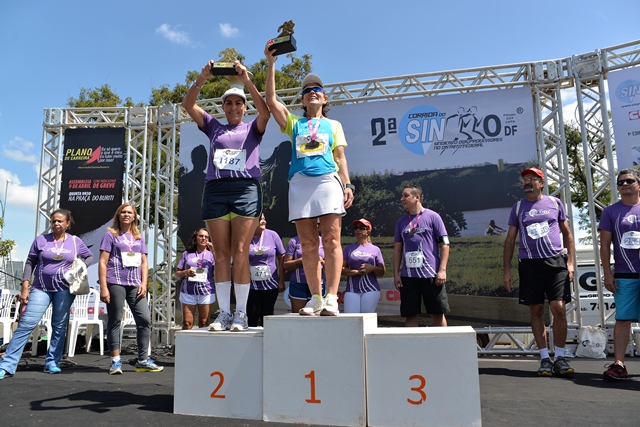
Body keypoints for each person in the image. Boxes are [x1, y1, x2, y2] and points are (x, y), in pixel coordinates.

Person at [265, 44, 354, 316]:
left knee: (332, 239)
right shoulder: (294, 123)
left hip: (327, 181)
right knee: (308, 243)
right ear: (302, 101)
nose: (312, 91)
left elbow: (340, 157)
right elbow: (271, 101)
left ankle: (332, 297)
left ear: (324, 98)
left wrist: (347, 184)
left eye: (317, 89)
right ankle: (315, 297)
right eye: (306, 90)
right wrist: (271, 63)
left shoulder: (334, 125)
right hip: (300, 183)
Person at [182, 59, 270, 332]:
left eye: (238, 103)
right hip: (216, 190)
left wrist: (246, 81)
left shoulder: (253, 127)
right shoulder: (213, 127)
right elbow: (188, 105)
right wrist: (202, 77)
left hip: (246, 190)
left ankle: (241, 314)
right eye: (228, 103)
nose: (233, 108)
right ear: (223, 107)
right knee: (221, 253)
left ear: (244, 107)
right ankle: (224, 313)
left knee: (240, 251)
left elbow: (265, 111)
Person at [0, 209, 93, 379]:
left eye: (60, 221)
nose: (56, 224)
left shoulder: (74, 241)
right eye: (53, 221)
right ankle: (7, 365)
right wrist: (25, 287)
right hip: (40, 288)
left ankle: (52, 362)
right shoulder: (41, 240)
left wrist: (80, 268)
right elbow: (30, 262)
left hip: (64, 289)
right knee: (26, 324)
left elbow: (89, 256)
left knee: (59, 326)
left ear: (67, 224)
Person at [503, 167, 575, 377]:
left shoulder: (554, 203)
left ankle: (560, 357)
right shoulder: (518, 207)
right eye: (525, 179)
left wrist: (570, 263)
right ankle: (544, 358)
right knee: (535, 310)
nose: (527, 182)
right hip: (529, 263)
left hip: (555, 261)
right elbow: (510, 240)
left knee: (558, 308)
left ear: (542, 183)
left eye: (532, 179)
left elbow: (567, 234)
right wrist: (507, 270)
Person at [99, 202, 163, 374]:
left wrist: (144, 283)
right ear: (118, 215)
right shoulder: (110, 235)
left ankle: (142, 360)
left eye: (129, 212)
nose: (126, 215)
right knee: (115, 320)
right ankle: (115, 361)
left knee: (144, 320)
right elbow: (103, 262)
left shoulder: (138, 237)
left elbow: (144, 262)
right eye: (123, 212)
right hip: (116, 281)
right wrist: (104, 287)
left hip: (135, 284)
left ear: (134, 216)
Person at [599, 169, 640, 380]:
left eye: (629, 181)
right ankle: (619, 365)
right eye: (621, 182)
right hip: (624, 274)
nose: (624, 184)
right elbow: (605, 245)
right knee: (623, 319)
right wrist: (607, 273)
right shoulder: (610, 211)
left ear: (638, 184)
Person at [393, 185, 450, 327]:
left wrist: (442, 270)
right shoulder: (401, 222)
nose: (402, 199)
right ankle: (411, 342)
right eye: (402, 196)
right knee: (410, 314)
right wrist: (396, 274)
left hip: (431, 274)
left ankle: (444, 341)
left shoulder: (433, 216)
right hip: (408, 275)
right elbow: (398, 249)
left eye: (406, 196)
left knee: (437, 313)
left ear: (417, 197)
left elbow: (444, 244)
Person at [247, 214, 285, 326]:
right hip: (250, 285)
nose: (264, 221)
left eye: (264, 219)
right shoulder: (245, 236)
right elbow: (238, 262)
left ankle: (267, 337)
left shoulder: (273, 235)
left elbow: (281, 257)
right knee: (251, 318)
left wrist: (281, 280)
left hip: (270, 284)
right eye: (261, 219)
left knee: (267, 317)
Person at [342, 218, 386, 313]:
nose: (358, 230)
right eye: (356, 228)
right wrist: (356, 272)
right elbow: (341, 269)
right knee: (351, 318)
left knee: (366, 317)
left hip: (371, 289)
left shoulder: (375, 249)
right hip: (352, 289)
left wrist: (372, 268)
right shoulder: (348, 248)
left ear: (368, 231)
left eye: (361, 228)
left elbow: (382, 272)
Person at [175, 228, 215, 330]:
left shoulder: (212, 254)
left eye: (206, 237)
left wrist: (214, 251)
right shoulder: (187, 254)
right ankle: (186, 341)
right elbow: (177, 274)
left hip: (206, 291)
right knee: (187, 323)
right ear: (195, 238)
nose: (203, 238)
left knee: (204, 322)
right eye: (201, 236)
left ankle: (202, 341)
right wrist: (186, 272)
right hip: (188, 291)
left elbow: (221, 269)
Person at [284, 234, 326, 314]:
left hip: (318, 284)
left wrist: (322, 261)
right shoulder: (294, 241)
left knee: (317, 315)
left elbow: (331, 266)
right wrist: (302, 260)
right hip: (298, 284)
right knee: (298, 315)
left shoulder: (323, 241)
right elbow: (286, 265)